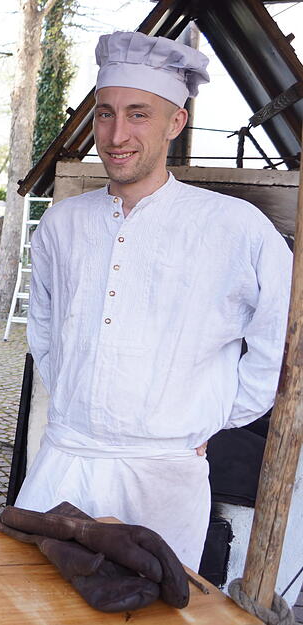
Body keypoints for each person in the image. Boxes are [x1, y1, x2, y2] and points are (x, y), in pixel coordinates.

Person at [17, 31, 292, 571]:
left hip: (164, 474)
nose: (116, 134)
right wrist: (76, 402)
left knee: (151, 600)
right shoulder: (62, 223)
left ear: (176, 122)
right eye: (105, 113)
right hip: (65, 459)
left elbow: (279, 338)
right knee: (33, 593)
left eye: (138, 114)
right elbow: (44, 332)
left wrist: (213, 419)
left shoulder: (235, 227)